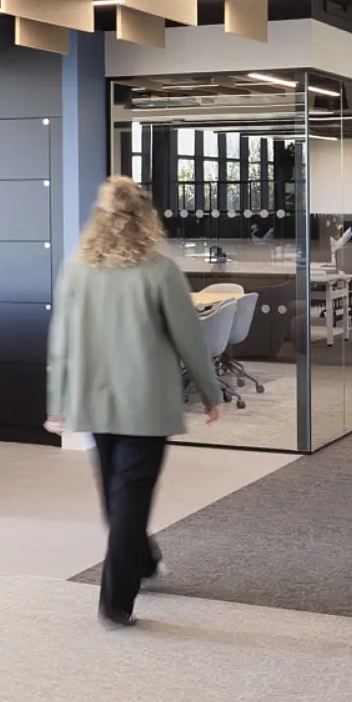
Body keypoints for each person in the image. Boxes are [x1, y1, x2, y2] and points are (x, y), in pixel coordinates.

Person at [45, 175, 222, 628]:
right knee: (128, 498)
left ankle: (140, 561)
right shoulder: (160, 269)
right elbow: (190, 338)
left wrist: (58, 402)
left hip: (95, 399)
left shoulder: (77, 269)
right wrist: (209, 391)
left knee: (116, 494)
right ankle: (115, 601)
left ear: (98, 219)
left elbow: (61, 342)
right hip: (145, 403)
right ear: (145, 218)